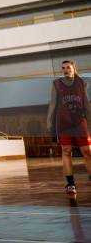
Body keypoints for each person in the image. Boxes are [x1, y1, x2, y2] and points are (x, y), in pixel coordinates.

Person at [46, 60, 91, 195]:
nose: (65, 70)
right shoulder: (56, 84)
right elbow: (53, 104)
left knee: (87, 151)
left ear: (73, 68)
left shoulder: (82, 83)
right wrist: (49, 121)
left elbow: (86, 104)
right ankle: (70, 183)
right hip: (64, 123)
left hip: (80, 122)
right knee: (66, 151)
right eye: (63, 68)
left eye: (68, 67)